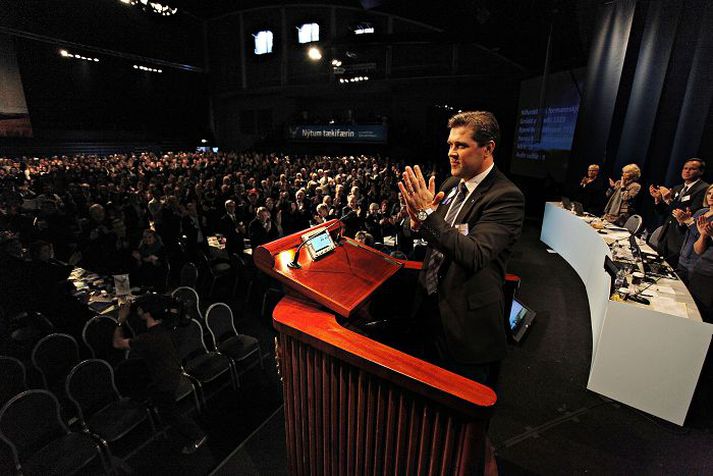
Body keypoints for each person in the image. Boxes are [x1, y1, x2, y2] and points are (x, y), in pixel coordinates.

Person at [397, 111, 525, 387]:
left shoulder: (505, 197)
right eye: (450, 145)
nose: (452, 153)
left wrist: (427, 216)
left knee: (455, 416)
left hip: (465, 326)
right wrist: (416, 223)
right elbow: (435, 235)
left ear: (488, 148)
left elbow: (474, 254)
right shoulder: (451, 184)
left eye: (461, 145)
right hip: (428, 310)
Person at [112, 294, 207, 454]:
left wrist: (120, 319)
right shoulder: (165, 328)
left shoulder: (148, 338)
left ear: (148, 313)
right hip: (172, 372)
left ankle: (198, 436)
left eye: (141, 308)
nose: (139, 310)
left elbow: (117, 343)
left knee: (170, 414)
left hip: (164, 380)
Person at [649, 158, 708, 267]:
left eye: (692, 169)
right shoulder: (678, 188)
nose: (687, 171)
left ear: (701, 172)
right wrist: (658, 200)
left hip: (680, 238)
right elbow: (666, 212)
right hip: (666, 235)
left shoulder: (704, 189)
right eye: (685, 168)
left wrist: (669, 200)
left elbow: (690, 213)